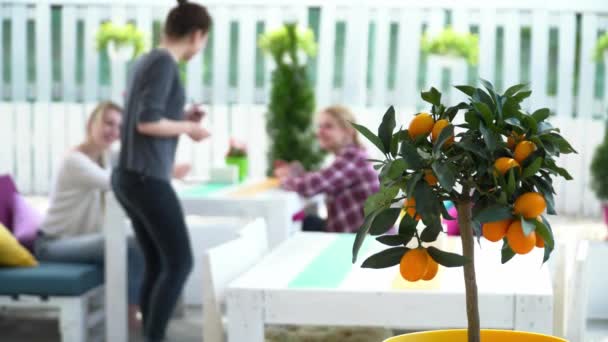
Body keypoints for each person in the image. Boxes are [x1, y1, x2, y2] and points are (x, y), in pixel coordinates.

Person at [110, 1, 212, 341]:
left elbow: (149, 113)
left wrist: (183, 115)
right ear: (197, 35)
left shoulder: (148, 60)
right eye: (204, 40)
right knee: (180, 262)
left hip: (130, 176)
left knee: (157, 261)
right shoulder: (165, 63)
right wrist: (188, 128)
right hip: (145, 178)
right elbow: (147, 122)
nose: (202, 47)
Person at [34, 101, 144, 328]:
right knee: (133, 244)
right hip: (53, 244)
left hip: (77, 241)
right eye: (108, 123)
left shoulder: (103, 157)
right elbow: (116, 183)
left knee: (147, 241)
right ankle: (130, 316)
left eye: (119, 127)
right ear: (91, 124)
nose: (113, 131)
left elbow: (136, 164)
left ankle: (137, 312)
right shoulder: (75, 161)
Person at [275, 105, 380, 233]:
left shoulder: (353, 158)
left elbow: (313, 186)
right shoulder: (353, 156)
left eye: (328, 126)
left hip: (365, 243)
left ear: (348, 131)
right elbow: (323, 178)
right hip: (353, 233)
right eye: (320, 126)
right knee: (307, 222)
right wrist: (295, 173)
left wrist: (284, 179)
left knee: (298, 227)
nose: (320, 131)